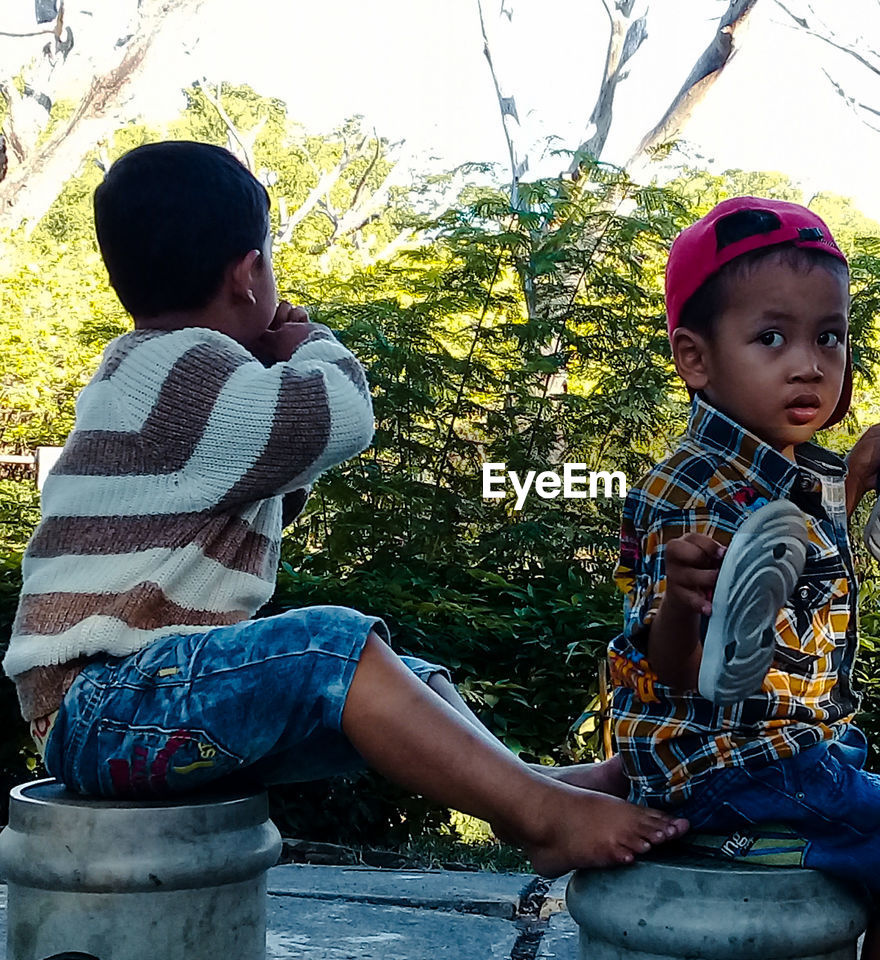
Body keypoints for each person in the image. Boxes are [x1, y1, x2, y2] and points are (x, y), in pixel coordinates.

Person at [4, 140, 686, 878]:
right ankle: (545, 819)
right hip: (105, 706)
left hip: (134, 702)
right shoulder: (178, 367)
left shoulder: (172, 371)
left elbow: (264, 493)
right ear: (250, 272)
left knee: (403, 676)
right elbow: (337, 418)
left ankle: (531, 786)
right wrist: (312, 342)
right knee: (334, 647)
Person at [608, 197, 880, 959]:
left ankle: (617, 784)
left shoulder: (788, 475)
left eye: (830, 337)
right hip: (741, 761)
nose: (810, 363)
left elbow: (790, 550)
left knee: (851, 756)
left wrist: (854, 481)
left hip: (794, 738)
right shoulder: (687, 492)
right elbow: (677, 669)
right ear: (696, 358)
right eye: (771, 337)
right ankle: (742, 833)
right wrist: (682, 602)